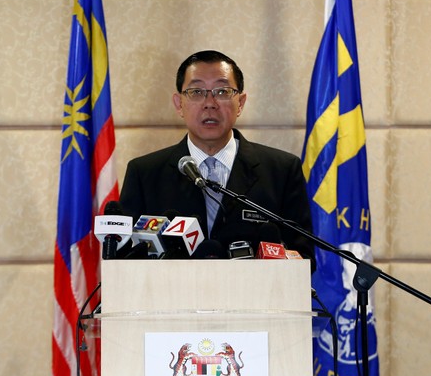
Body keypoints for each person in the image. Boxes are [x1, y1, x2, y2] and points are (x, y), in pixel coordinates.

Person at [119, 50, 314, 262]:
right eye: (196, 92)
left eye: (222, 91)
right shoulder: (145, 174)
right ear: (179, 104)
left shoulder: (281, 171)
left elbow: (303, 259)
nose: (210, 103)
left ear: (240, 103)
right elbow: (127, 260)